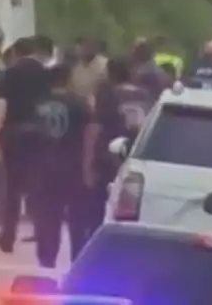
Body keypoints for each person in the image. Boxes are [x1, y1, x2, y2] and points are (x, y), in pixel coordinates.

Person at [0, 36, 51, 253]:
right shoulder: (45, 74)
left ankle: (8, 236)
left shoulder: (11, 73)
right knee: (38, 188)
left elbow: (1, 104)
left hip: (15, 134)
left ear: (15, 53)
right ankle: (43, 233)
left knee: (12, 188)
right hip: (39, 134)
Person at [31, 64, 95, 267]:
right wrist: (88, 167)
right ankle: (77, 259)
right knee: (77, 218)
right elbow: (89, 135)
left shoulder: (38, 103)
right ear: (68, 80)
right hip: (72, 166)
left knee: (47, 217)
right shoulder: (79, 104)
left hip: (43, 166)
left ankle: (46, 259)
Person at [85, 57, 152, 233]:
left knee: (98, 207)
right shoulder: (143, 95)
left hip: (107, 157)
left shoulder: (107, 94)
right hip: (136, 155)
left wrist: (88, 162)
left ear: (110, 74)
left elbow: (96, 127)